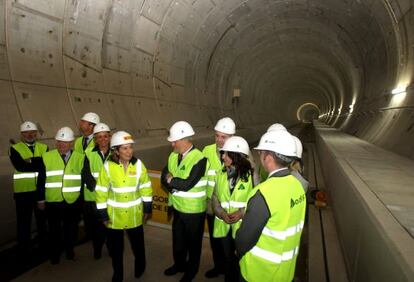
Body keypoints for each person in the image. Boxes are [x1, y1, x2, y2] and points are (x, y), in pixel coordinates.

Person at [235, 130, 307, 282]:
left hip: (259, 273)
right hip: (285, 271)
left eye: (261, 152)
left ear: (268, 157)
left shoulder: (263, 194)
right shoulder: (297, 186)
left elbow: (243, 240)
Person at [96, 131, 153, 282]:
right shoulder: (108, 167)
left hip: (135, 216)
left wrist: (147, 208)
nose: (129, 151)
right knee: (116, 250)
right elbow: (101, 192)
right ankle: (118, 274)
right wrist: (103, 214)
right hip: (115, 218)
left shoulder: (139, 165)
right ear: (116, 151)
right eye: (125, 148)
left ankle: (140, 269)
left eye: (130, 147)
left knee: (138, 247)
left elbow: (146, 187)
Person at [161, 121, 210, 282]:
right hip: (178, 208)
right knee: (178, 241)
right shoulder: (173, 156)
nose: (173, 144)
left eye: (175, 141)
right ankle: (179, 264)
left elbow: (188, 184)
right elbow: (164, 177)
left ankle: (191, 270)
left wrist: (172, 180)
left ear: (184, 139)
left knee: (193, 244)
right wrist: (172, 183)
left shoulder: (200, 159)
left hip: (194, 212)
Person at [37, 127, 85, 264]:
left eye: (65, 142)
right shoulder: (46, 157)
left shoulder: (80, 158)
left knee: (71, 229)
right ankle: (55, 255)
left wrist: (80, 201)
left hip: (73, 202)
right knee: (54, 230)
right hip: (53, 201)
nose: (61, 145)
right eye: (59, 142)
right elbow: (41, 180)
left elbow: (82, 182)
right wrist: (40, 199)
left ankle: (70, 252)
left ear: (71, 143)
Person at [211, 136, 254, 282]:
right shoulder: (220, 174)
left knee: (241, 259)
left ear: (236, 156)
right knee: (228, 259)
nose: (222, 157)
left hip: (242, 227)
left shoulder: (252, 176)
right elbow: (215, 197)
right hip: (224, 225)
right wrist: (221, 213)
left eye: (226, 153)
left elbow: (255, 201)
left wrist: (241, 213)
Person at [202, 117, 236, 278]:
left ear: (232, 137)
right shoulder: (207, 151)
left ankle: (231, 271)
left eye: (224, 137)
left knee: (229, 243)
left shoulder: (239, 152)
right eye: (217, 135)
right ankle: (218, 266)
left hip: (230, 206)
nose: (219, 140)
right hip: (210, 205)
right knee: (215, 240)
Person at [9, 121, 48, 260]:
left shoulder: (44, 147)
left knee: (42, 222)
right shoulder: (15, 148)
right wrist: (38, 162)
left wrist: (30, 160)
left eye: (32, 132)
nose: (29, 135)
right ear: (21, 134)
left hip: (40, 191)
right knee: (23, 223)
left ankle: (44, 248)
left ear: (36, 134)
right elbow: (20, 167)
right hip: (22, 193)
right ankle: (24, 250)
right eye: (26, 133)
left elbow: (46, 166)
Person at [82, 123, 111, 259]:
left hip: (111, 198)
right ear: (95, 139)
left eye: (105, 136)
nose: (103, 139)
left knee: (111, 226)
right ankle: (97, 249)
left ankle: (112, 248)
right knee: (96, 227)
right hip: (93, 198)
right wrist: (99, 189)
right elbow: (86, 175)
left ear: (109, 137)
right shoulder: (88, 153)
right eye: (99, 137)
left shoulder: (117, 153)